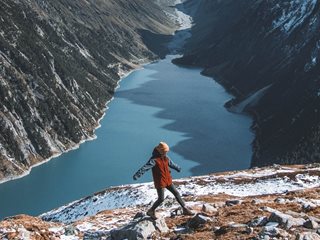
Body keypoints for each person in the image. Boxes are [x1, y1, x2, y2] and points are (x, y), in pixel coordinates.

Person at [133, 141, 193, 219]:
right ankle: (151, 211)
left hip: (168, 180)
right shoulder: (154, 160)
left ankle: (185, 209)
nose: (166, 152)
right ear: (161, 150)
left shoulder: (165, 157)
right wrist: (138, 174)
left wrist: (178, 168)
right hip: (160, 181)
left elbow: (171, 164)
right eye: (165, 151)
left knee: (176, 193)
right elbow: (145, 167)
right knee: (161, 199)